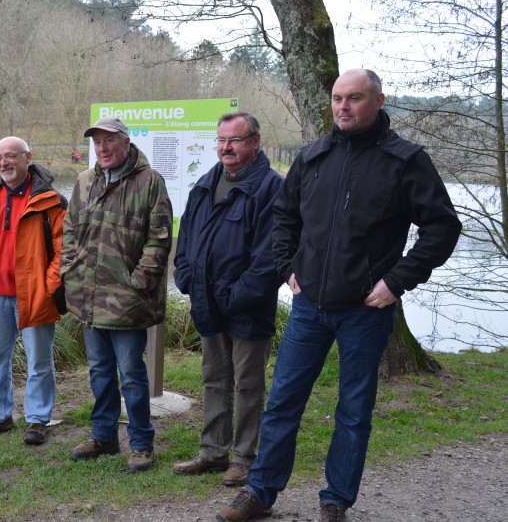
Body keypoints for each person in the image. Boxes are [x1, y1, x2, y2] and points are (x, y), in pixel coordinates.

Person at [216, 69, 462, 522]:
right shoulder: (314, 156)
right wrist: (289, 267)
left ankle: (335, 501)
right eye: (337, 98)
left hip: (366, 311)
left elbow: (443, 226)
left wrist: (397, 280)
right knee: (284, 400)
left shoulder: (405, 161)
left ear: (379, 101)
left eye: (354, 98)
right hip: (310, 308)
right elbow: (284, 216)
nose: (343, 106)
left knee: (353, 410)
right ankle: (260, 492)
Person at [172, 112, 283, 487]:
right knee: (213, 379)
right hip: (207, 302)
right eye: (221, 140)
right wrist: (185, 277)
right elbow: (186, 237)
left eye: (234, 140)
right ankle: (213, 451)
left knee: (248, 384)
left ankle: (244, 458)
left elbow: (271, 258)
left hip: (247, 308)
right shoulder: (206, 183)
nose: (226, 147)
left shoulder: (271, 188)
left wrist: (234, 296)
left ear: (254, 141)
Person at [61, 116, 173, 473]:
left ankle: (141, 443)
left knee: (132, 375)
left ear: (126, 142)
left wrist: (138, 283)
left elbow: (159, 239)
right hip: (88, 298)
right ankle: (104, 436)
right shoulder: (83, 182)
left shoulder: (149, 182)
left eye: (109, 141)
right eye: (97, 142)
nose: (102, 148)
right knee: (99, 372)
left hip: (127, 301)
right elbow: (68, 232)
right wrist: (68, 271)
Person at [0, 136, 67, 445]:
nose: (4, 163)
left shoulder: (51, 200)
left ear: (27, 157)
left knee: (39, 362)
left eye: (11, 156)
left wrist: (49, 287)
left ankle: (36, 420)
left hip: (35, 295)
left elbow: (64, 251)